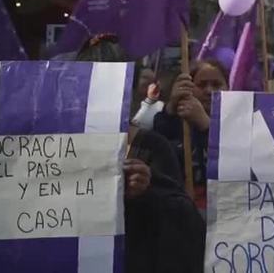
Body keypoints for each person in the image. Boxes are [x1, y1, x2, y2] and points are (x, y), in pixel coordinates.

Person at [76, 34, 204, 272]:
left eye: (111, 88)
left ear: (131, 90)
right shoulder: (56, 146)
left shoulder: (152, 146)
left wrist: (146, 192)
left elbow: (184, 225)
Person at [153, 59, 229, 210]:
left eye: (216, 85)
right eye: (201, 85)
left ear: (228, 87)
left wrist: (207, 127)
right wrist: (171, 110)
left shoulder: (239, 121)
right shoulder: (175, 121)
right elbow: (158, 153)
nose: (209, 91)